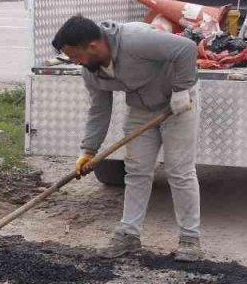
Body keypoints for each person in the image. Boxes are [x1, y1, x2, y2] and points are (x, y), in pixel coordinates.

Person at [51, 14, 202, 262]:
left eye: (76, 56)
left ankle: (189, 238)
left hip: (178, 104)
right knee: (137, 170)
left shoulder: (135, 40)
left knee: (179, 171)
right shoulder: (90, 71)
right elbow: (99, 109)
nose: (75, 62)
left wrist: (181, 89)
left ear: (93, 46)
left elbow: (186, 48)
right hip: (141, 108)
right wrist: (88, 150)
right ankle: (129, 234)